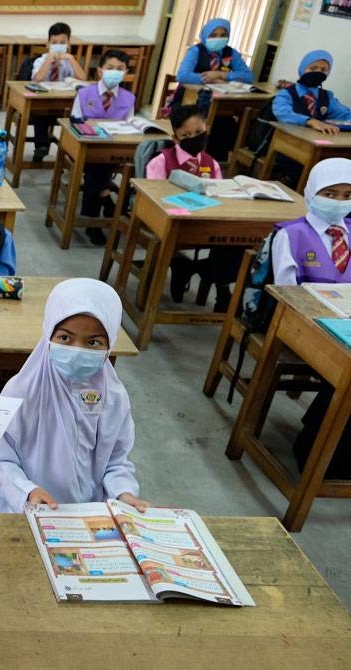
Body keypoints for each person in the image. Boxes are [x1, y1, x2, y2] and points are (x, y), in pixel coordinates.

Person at [0, 278, 148, 513]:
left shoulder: (113, 397)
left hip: (85, 511)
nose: (77, 350)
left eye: (93, 342)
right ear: (48, 334)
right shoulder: (22, 390)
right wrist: (27, 491)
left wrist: (123, 493)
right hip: (19, 505)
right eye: (65, 338)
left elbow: (117, 462)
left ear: (110, 345)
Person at [270, 158, 351, 478]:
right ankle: (315, 446)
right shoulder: (292, 235)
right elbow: (287, 294)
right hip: (306, 327)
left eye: (348, 195)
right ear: (312, 192)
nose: (340, 202)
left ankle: (331, 440)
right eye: (331, 194)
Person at [146, 104, 238, 311]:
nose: (195, 138)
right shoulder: (161, 161)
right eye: (187, 135)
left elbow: (219, 192)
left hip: (206, 220)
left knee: (234, 240)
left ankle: (217, 284)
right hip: (173, 221)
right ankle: (187, 266)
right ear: (176, 138)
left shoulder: (210, 162)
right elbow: (153, 197)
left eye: (199, 132)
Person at [73, 49, 134, 246]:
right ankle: (101, 213)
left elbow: (130, 124)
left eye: (120, 69)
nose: (114, 72)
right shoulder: (84, 93)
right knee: (97, 165)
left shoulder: (128, 98)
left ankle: (100, 210)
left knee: (117, 167)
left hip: (117, 149)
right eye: (110, 68)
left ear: (125, 72)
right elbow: (75, 122)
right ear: (100, 71)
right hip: (88, 149)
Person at [175, 18, 252, 161]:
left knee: (227, 128)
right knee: (200, 126)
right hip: (193, 102)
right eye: (213, 35)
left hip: (222, 103)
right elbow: (183, 75)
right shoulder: (196, 51)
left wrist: (222, 75)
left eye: (223, 35)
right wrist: (206, 78)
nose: (219, 38)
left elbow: (248, 76)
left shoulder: (230, 53)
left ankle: (214, 163)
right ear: (205, 36)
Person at [31, 22, 87, 163]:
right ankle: (41, 146)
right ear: (47, 44)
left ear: (68, 44)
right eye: (54, 42)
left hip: (64, 106)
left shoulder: (69, 62)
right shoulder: (41, 60)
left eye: (62, 42)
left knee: (78, 117)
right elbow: (37, 78)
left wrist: (72, 59)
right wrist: (49, 60)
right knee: (41, 115)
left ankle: (72, 150)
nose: (58, 45)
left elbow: (83, 78)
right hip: (42, 104)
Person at [272, 50, 351, 136]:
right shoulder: (287, 93)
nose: (318, 72)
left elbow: (343, 114)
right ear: (302, 69)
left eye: (323, 70)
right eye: (313, 68)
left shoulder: (326, 96)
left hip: (315, 138)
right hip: (288, 137)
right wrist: (310, 121)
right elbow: (283, 113)